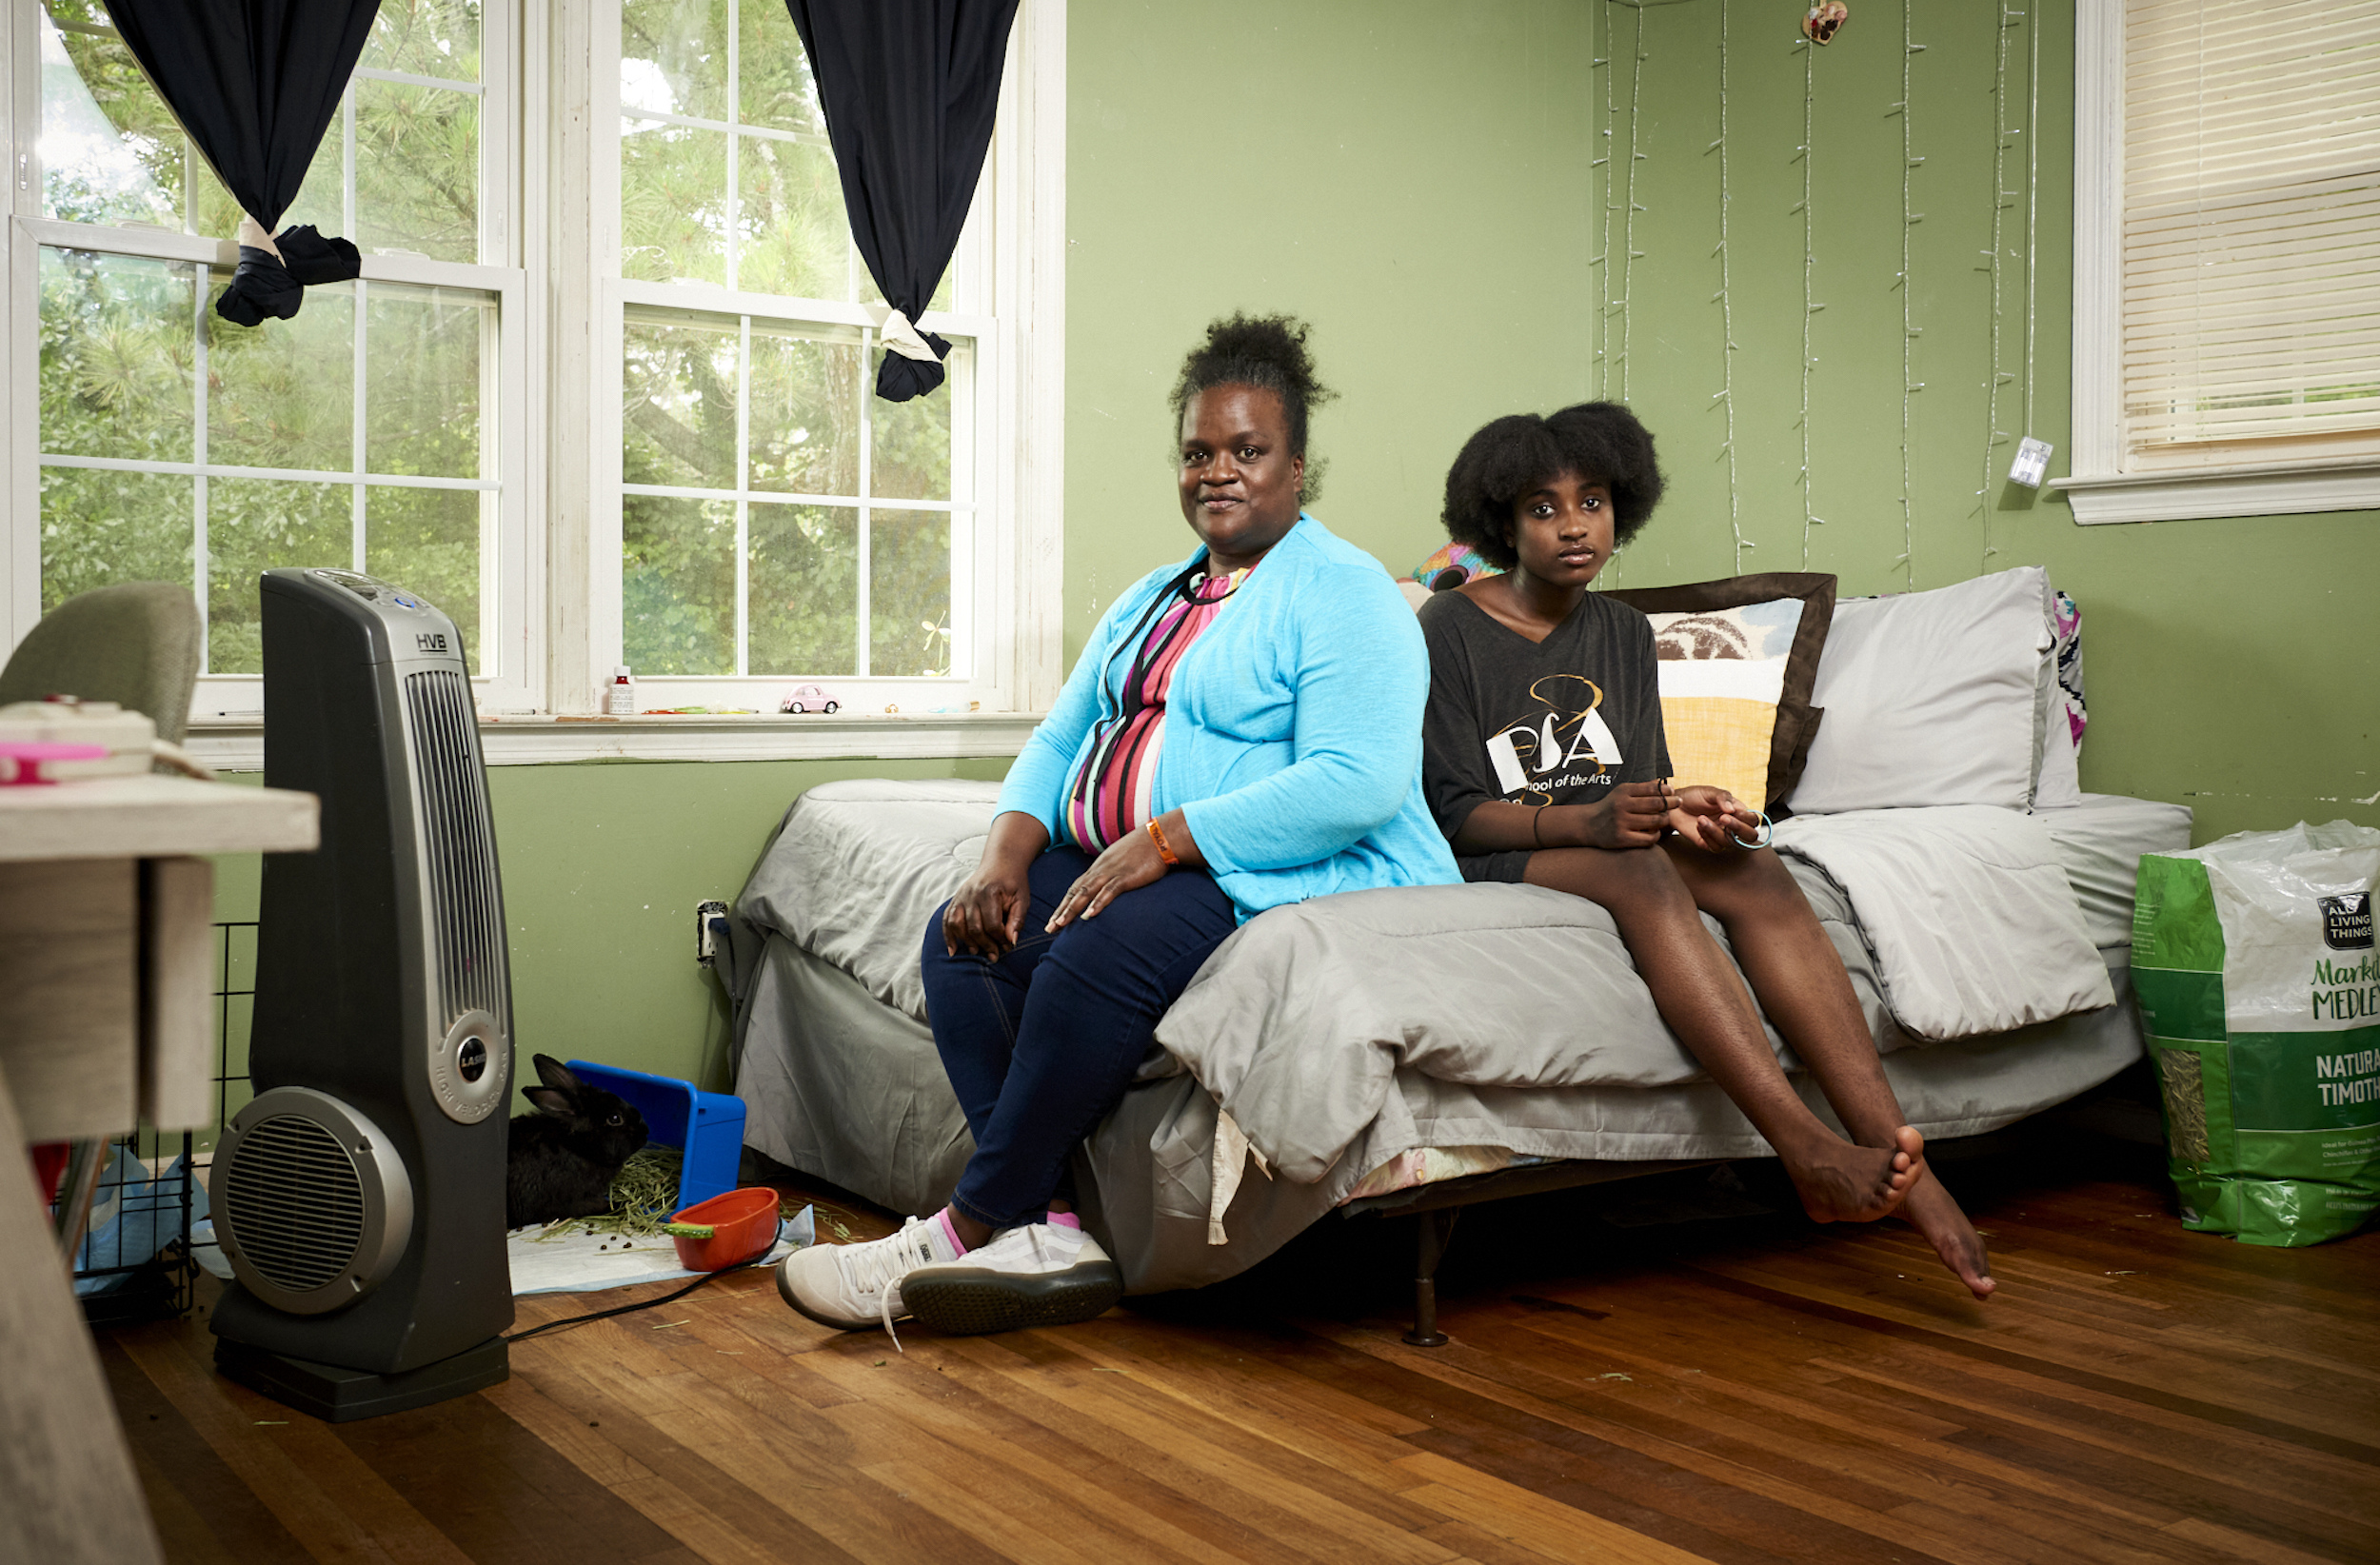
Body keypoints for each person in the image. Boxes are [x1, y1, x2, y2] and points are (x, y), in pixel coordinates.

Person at [776, 313, 1462, 1338]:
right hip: (1144, 855)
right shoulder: (1157, 594)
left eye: (1247, 450)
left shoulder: (1346, 591)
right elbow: (1060, 737)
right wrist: (1004, 856)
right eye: (1198, 451)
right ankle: (1049, 1228)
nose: (1217, 472)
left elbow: (1355, 783)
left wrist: (1170, 838)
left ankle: (961, 1229)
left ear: (1296, 467)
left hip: (1280, 865)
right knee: (963, 939)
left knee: (1088, 953)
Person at [1418, 403, 1994, 1300]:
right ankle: (1802, 1147)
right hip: (1509, 844)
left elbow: (1641, 780)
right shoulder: (1447, 629)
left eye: (1594, 501)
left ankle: (1903, 1163)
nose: (1574, 525)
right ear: (1500, 521)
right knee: (1638, 868)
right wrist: (1600, 824)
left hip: (1607, 831)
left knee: (1760, 871)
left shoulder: (1621, 632)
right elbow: (1457, 812)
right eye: (1543, 507)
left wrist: (1685, 807)